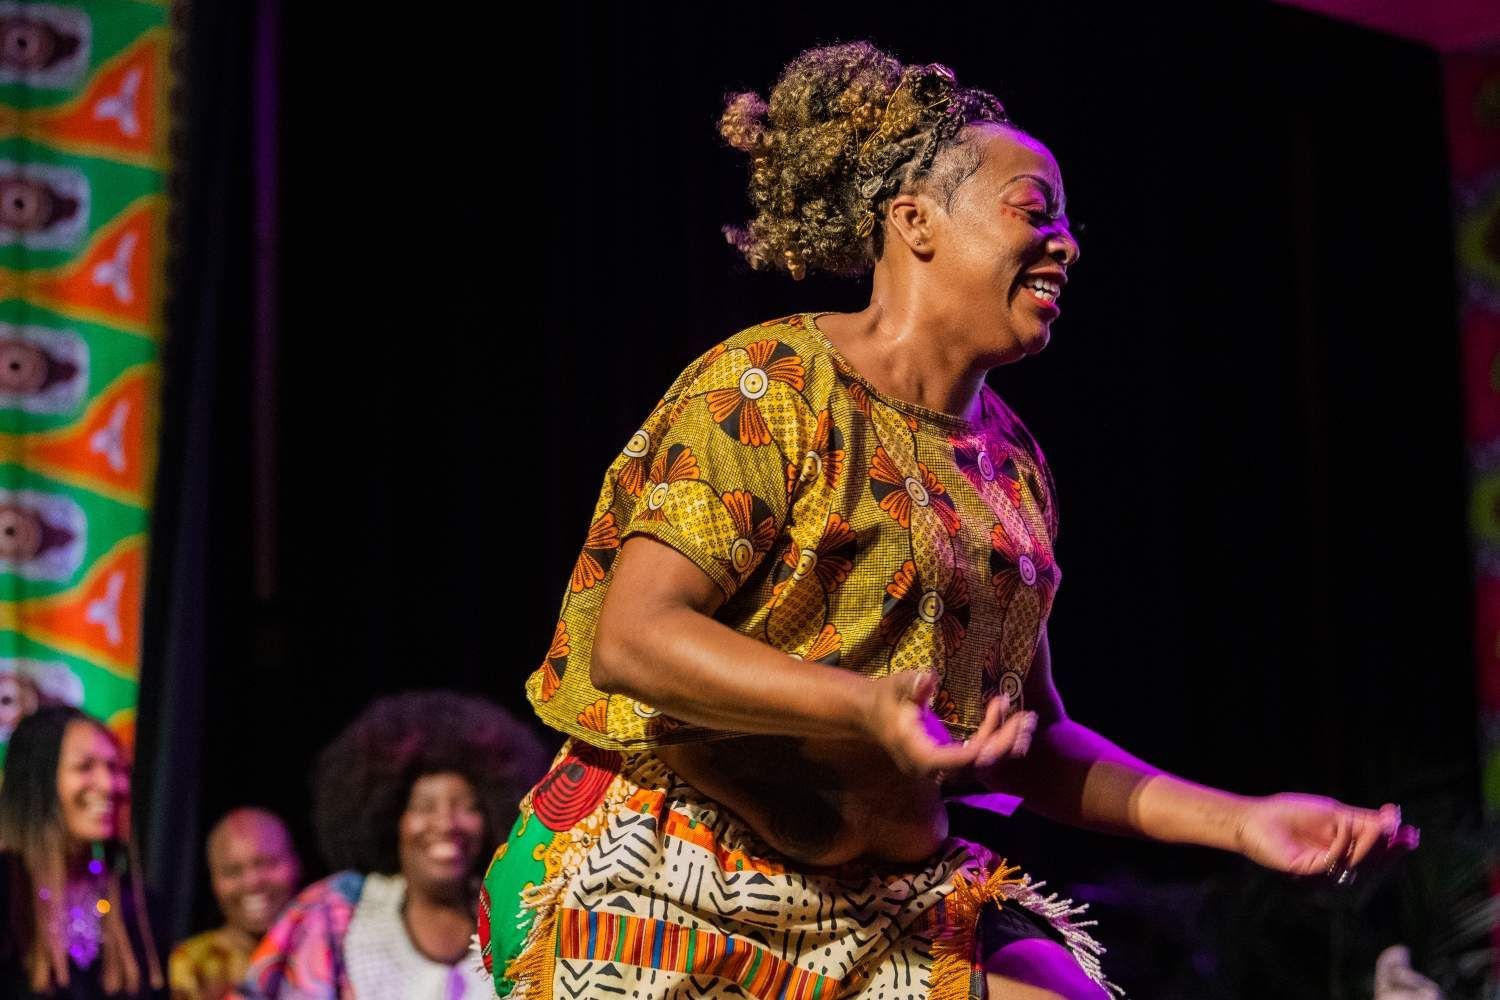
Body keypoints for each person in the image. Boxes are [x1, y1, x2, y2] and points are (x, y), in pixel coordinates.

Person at [479, 40, 1418, 1000]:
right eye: (1032, 211)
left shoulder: (1010, 465)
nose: (1067, 242)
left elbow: (1038, 738)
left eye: (1068, 221)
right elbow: (635, 639)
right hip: (675, 874)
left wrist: (1241, 821)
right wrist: (864, 706)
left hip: (889, 903)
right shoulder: (773, 386)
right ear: (916, 221)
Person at [233, 691, 545, 1000]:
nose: (447, 824)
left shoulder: (518, 913)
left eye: (467, 807)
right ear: (392, 818)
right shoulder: (336, 911)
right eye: (424, 806)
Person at [0, 706, 164, 998]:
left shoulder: (135, 906)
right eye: (85, 767)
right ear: (38, 781)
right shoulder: (7, 891)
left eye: (115, 769)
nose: (109, 784)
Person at [168, 809, 301, 1000]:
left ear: (296, 864)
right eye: (233, 871)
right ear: (213, 882)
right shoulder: (190, 965)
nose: (252, 882)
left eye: (267, 863)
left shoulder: (324, 948)